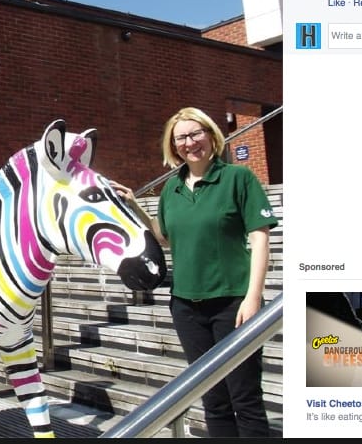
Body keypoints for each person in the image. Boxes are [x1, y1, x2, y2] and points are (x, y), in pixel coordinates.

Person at [112, 106, 277, 437]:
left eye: (195, 133)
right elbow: (165, 237)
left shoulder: (238, 178)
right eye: (181, 138)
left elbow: (260, 239)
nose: (190, 142)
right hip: (186, 307)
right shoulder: (171, 189)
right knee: (213, 399)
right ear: (173, 146)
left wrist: (253, 297)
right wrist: (134, 205)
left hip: (233, 302)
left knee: (245, 398)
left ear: (211, 135)